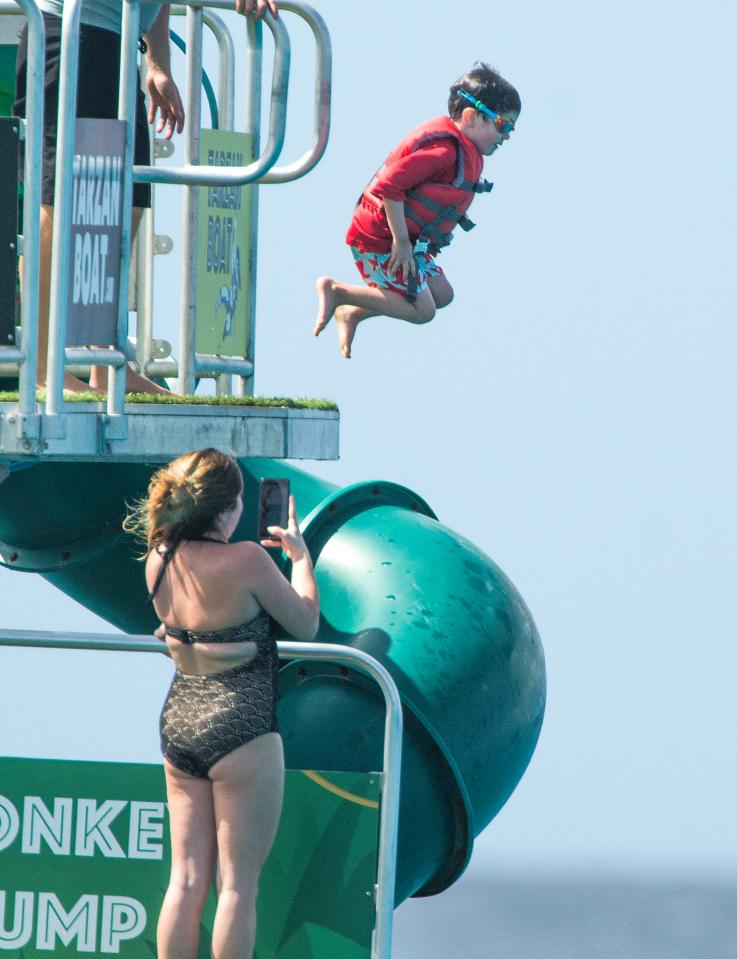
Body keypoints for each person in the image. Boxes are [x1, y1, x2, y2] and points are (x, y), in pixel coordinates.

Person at [14, 0, 278, 395]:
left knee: (128, 204)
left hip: (116, 47)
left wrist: (157, 64)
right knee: (58, 202)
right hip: (68, 35)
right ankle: (39, 367)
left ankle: (107, 362)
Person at [124, 447, 319, 959]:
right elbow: (304, 621)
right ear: (229, 509)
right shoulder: (248, 559)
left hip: (181, 721)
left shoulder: (157, 560)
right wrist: (300, 559)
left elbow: (176, 625)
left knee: (185, 881)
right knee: (237, 886)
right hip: (242, 721)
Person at [314, 62, 521, 358]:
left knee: (442, 295)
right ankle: (338, 291)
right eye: (504, 125)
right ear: (471, 116)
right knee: (422, 311)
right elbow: (390, 186)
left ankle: (353, 312)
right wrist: (400, 242)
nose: (508, 136)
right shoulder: (444, 152)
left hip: (406, 243)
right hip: (380, 241)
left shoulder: (465, 153)